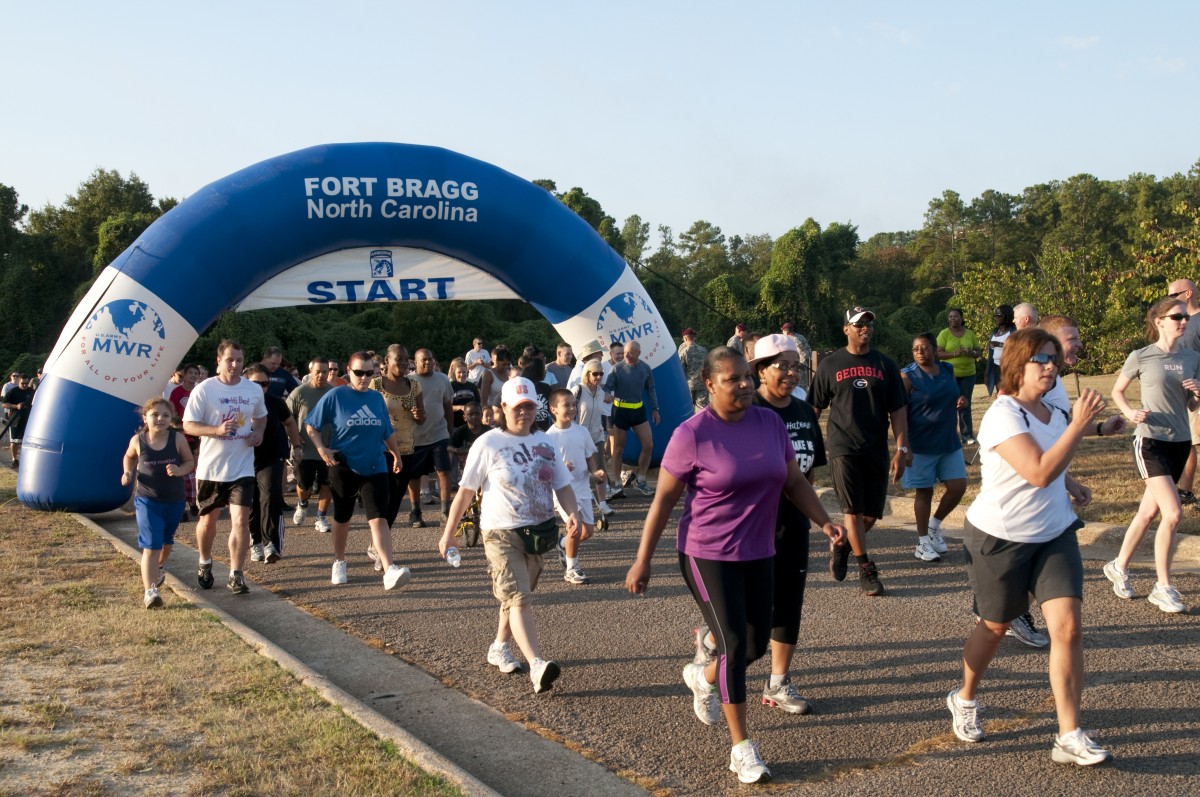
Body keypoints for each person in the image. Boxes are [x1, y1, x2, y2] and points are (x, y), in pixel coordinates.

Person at [625, 346, 845, 785]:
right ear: (709, 385)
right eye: (733, 379)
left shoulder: (769, 423)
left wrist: (824, 521)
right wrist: (642, 560)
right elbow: (664, 501)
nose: (745, 384)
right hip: (706, 553)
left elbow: (795, 481)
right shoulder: (692, 434)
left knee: (756, 645)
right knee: (732, 645)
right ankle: (741, 748)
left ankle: (702, 677)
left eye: (747, 377)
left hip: (760, 550)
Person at [947, 327, 1111, 767]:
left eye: (1054, 358)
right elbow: (1037, 470)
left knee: (1069, 628)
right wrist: (1078, 426)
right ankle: (963, 697)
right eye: (1041, 358)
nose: (1051, 366)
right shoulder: (1003, 415)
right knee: (995, 627)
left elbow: (1055, 453)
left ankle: (1069, 734)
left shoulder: (1051, 410)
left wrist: (1089, 441)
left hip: (1054, 533)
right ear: (1017, 365)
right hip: (999, 538)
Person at [438, 377, 582, 693]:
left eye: (529, 406)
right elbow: (464, 493)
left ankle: (499, 646)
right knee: (518, 598)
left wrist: (573, 513)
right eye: (517, 407)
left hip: (538, 532)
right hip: (500, 533)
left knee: (515, 596)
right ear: (503, 408)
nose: (524, 413)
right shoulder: (488, 444)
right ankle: (537, 664)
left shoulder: (546, 443)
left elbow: (562, 485)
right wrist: (449, 533)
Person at [1103, 297, 1200, 614]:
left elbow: (1192, 405)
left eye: (1185, 317)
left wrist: (1198, 392)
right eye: (1176, 317)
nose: (1183, 322)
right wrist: (1130, 412)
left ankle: (1118, 565)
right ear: (1159, 321)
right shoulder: (1141, 356)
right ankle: (1163, 586)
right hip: (1150, 442)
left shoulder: (1191, 357)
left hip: (1180, 442)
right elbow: (1118, 390)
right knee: (1172, 513)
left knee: (1147, 514)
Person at [749, 334, 829, 714]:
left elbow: (807, 475)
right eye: (783, 365)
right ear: (761, 371)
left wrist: (818, 520)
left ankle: (777, 683)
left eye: (796, 366)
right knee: (750, 614)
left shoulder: (804, 413)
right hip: (751, 527)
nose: (792, 373)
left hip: (793, 524)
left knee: (788, 604)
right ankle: (712, 653)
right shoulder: (746, 412)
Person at [808, 306, 909, 596]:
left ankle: (842, 543)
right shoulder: (830, 365)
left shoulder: (885, 364)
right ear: (846, 330)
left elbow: (898, 408)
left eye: (869, 324)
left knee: (871, 515)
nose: (865, 328)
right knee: (853, 510)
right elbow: (814, 406)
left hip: (876, 446)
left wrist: (901, 447)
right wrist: (803, 437)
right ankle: (866, 568)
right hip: (843, 447)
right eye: (859, 324)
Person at [305, 351, 411, 590]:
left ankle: (389, 569)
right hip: (344, 465)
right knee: (343, 517)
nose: (363, 378)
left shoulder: (375, 399)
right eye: (358, 373)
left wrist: (396, 454)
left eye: (369, 373)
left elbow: (387, 431)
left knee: (379, 518)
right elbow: (312, 425)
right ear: (348, 371)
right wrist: (322, 449)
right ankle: (340, 562)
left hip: (375, 465)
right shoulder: (336, 396)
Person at [182, 339, 268, 595]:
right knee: (208, 521)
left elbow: (261, 417)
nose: (234, 365)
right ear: (218, 361)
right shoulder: (204, 389)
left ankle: (236, 573)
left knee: (240, 520)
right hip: (211, 469)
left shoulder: (252, 389)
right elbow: (188, 425)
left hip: (242, 468)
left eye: (239, 360)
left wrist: (258, 432)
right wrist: (216, 430)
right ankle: (205, 562)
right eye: (229, 360)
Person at [121, 397, 194, 608]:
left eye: (165, 415)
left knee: (166, 541)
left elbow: (189, 461)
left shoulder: (177, 439)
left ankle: (160, 566)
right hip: (147, 500)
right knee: (151, 544)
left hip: (174, 500)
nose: (160, 419)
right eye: (155, 415)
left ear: (171, 419)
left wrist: (180, 470)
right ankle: (150, 592)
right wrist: (127, 471)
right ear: (145, 418)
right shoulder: (138, 440)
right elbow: (129, 457)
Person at [901, 333, 966, 563]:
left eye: (924, 348)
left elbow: (952, 394)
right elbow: (899, 413)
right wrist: (903, 446)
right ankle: (922, 543)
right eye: (916, 348)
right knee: (924, 492)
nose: (920, 352)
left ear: (934, 350)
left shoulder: (947, 369)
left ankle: (934, 525)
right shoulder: (908, 376)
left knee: (958, 486)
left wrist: (960, 401)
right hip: (921, 443)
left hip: (948, 440)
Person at [243, 365, 302, 564]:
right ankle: (256, 541)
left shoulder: (275, 403)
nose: (260, 388)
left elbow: (290, 423)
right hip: (244, 459)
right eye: (255, 383)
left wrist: (297, 446)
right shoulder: (238, 403)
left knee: (269, 496)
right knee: (251, 501)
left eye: (265, 384)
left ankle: (271, 544)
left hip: (272, 457)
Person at [546, 388, 605, 585]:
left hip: (582, 489)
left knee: (588, 532)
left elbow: (589, 458)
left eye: (573, 404)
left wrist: (595, 473)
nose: (572, 408)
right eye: (566, 405)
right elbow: (545, 468)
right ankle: (572, 568)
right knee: (575, 529)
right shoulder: (549, 437)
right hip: (563, 492)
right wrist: (561, 468)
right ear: (553, 409)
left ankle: (562, 544)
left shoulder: (582, 431)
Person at [370, 345, 425, 541]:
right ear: (387, 361)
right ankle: (378, 542)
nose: (403, 363)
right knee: (381, 498)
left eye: (405, 360)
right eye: (398, 359)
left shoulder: (414, 386)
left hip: (406, 449)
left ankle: (380, 541)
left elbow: (421, 418)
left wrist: (419, 415)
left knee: (395, 499)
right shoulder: (375, 385)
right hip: (381, 449)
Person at [288, 357, 336, 533]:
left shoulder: (333, 393)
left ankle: (321, 516)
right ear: (311, 371)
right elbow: (287, 418)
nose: (322, 375)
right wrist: (294, 437)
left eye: (325, 372)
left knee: (327, 484)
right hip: (305, 449)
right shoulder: (299, 393)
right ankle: (302, 504)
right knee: (304, 485)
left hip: (328, 448)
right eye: (318, 372)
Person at [604, 340, 659, 496]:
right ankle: (617, 484)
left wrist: (655, 409)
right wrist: (606, 395)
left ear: (638, 353)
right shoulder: (616, 369)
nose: (626, 355)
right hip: (620, 411)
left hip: (638, 411)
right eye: (625, 352)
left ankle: (641, 481)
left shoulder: (645, 368)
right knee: (618, 449)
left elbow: (652, 389)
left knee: (648, 445)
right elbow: (607, 388)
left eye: (630, 353)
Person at [408, 348, 455, 525]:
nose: (428, 363)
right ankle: (415, 511)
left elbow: (448, 405)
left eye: (430, 360)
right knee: (414, 475)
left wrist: (450, 430)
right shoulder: (409, 381)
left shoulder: (442, 379)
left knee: (443, 470)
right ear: (415, 362)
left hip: (439, 433)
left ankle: (445, 510)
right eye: (424, 360)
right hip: (416, 436)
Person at [1166, 278, 1200, 504]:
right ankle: (1185, 491)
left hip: (1198, 394)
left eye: (1173, 295)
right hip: (1181, 394)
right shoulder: (1180, 323)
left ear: (1188, 294)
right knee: (1187, 442)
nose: (1168, 300)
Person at [571, 359, 613, 520]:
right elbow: (568, 410)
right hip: (578, 435)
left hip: (596, 435)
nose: (598, 377)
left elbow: (601, 412)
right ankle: (573, 501)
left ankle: (602, 503)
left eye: (601, 374)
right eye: (595, 373)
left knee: (600, 468)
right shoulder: (578, 390)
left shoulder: (601, 392)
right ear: (587, 374)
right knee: (577, 469)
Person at [937, 308, 982, 445]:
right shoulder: (944, 334)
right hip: (950, 375)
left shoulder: (970, 334)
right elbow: (938, 354)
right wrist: (955, 354)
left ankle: (967, 435)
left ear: (962, 319)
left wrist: (971, 352)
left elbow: (978, 352)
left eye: (956, 316)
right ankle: (949, 435)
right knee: (950, 404)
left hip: (968, 374)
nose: (952, 319)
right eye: (950, 317)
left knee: (965, 404)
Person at [2, 373, 34, 469]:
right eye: (22, 383)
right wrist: (16, 406)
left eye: (26, 383)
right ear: (19, 382)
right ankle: (14, 459)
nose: (24, 385)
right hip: (15, 420)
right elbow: (4, 404)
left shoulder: (32, 391)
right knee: (15, 441)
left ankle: (26, 460)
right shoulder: (13, 391)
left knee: (27, 441)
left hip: (28, 419)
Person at [985, 305, 1017, 398]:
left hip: (1009, 367)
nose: (997, 318)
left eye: (999, 315)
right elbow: (990, 353)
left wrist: (999, 345)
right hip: (996, 367)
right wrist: (987, 371)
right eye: (995, 315)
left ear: (1007, 316)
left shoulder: (1013, 331)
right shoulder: (994, 332)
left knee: (1011, 392)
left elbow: (1017, 348)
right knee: (1000, 393)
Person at [677, 328, 708, 411]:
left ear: (685, 338)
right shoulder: (704, 350)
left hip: (689, 385)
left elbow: (680, 370)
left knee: (688, 410)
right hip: (702, 383)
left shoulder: (684, 352)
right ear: (694, 338)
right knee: (703, 409)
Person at [448, 357, 481, 430]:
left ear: (467, 372)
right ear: (455, 373)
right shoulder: (450, 386)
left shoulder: (472, 386)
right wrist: (460, 407)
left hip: (472, 424)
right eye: (459, 372)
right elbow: (447, 406)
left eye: (464, 372)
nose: (462, 374)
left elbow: (478, 404)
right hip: (455, 424)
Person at [780, 322, 813, 395]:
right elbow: (809, 351)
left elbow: (802, 353)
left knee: (798, 389)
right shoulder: (800, 337)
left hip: (796, 367)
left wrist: (799, 364)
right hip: (799, 366)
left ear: (786, 331)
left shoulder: (793, 339)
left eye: (783, 330)